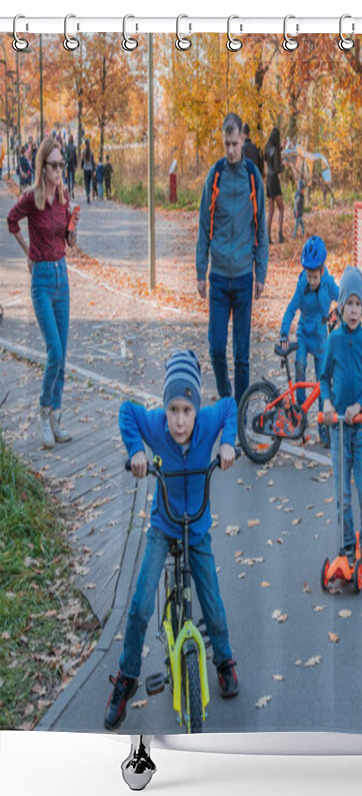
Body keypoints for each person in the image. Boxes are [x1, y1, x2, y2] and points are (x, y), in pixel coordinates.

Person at [104, 350, 240, 730]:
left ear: (197, 409)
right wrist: (136, 452)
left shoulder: (208, 420)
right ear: (165, 408)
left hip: (196, 528)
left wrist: (227, 443)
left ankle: (225, 659)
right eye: (173, 409)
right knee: (141, 604)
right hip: (164, 524)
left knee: (211, 601)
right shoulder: (154, 424)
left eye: (187, 410)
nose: (180, 421)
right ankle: (127, 678)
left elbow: (230, 406)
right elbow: (126, 412)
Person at [7, 137, 80, 448]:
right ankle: (42, 410)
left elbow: (70, 242)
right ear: (42, 167)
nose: (60, 170)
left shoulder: (63, 198)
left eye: (62, 164)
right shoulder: (31, 199)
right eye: (54, 165)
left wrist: (73, 226)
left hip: (62, 276)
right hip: (41, 280)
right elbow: (11, 221)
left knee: (62, 356)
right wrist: (28, 252)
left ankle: (55, 418)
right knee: (54, 352)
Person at [196, 112, 268, 405]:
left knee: (241, 354)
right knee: (215, 347)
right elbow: (203, 225)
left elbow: (261, 227)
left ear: (242, 140)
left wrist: (260, 273)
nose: (230, 150)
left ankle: (239, 414)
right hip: (217, 277)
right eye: (226, 144)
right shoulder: (215, 176)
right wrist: (201, 270)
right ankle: (227, 399)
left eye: (235, 144)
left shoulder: (253, 177)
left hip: (242, 277)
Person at [321, 266, 362, 576]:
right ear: (341, 306)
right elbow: (323, 378)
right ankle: (345, 544)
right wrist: (327, 402)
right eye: (349, 304)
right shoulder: (334, 340)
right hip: (338, 430)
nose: (353, 310)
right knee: (342, 495)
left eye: (358, 304)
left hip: (359, 430)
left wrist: (360, 405)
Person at [279, 235, 339, 448]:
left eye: (315, 276)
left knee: (323, 383)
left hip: (321, 337)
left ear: (322, 270)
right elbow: (291, 308)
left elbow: (344, 299)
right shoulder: (302, 283)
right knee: (300, 366)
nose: (312, 281)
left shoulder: (329, 285)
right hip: (304, 333)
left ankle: (323, 424)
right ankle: (300, 413)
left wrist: (337, 316)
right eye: (309, 275)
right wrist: (284, 333)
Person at [264, 126, 285, 244]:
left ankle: (268, 237)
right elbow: (277, 168)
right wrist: (284, 166)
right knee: (281, 208)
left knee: (271, 211)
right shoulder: (276, 150)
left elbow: (269, 158)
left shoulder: (267, 147)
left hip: (268, 180)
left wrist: (281, 148)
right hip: (275, 181)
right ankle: (280, 235)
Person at [81, 139, 95, 204]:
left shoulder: (84, 151)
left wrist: (81, 166)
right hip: (90, 169)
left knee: (86, 183)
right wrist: (94, 170)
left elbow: (82, 160)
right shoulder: (91, 152)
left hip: (85, 169)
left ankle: (87, 194)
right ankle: (89, 193)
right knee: (89, 182)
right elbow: (92, 161)